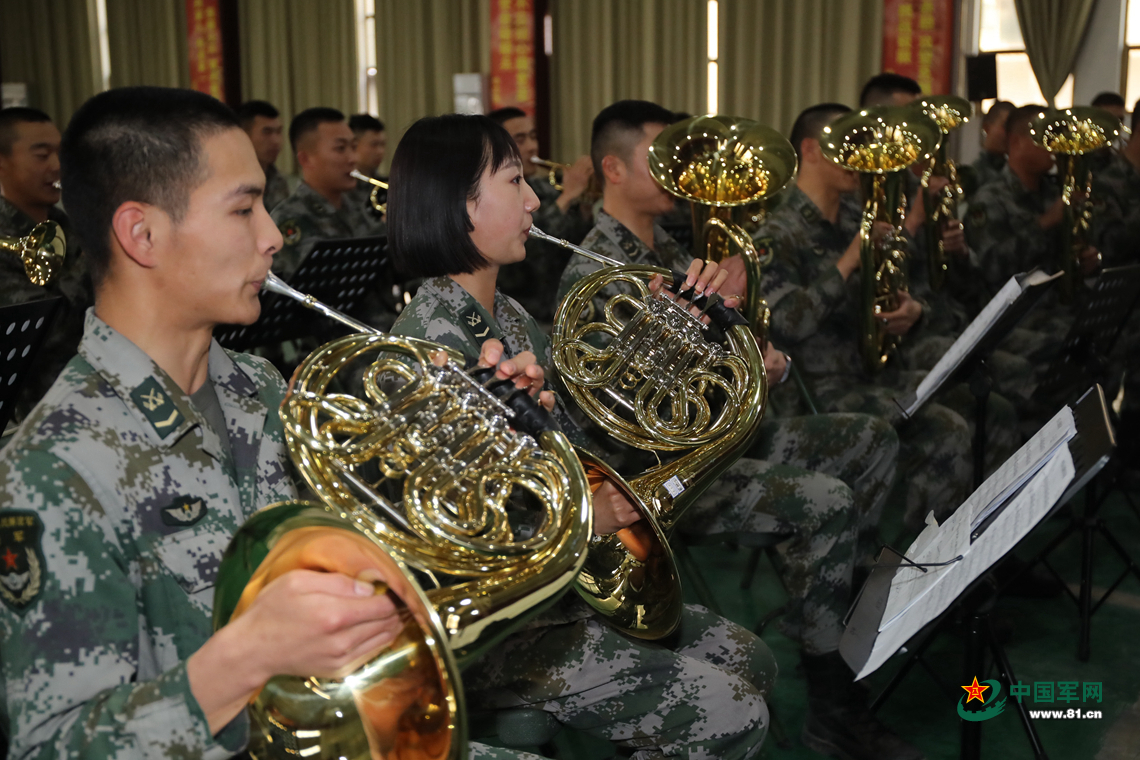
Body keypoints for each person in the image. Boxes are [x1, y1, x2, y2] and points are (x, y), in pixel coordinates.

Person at [0, 85, 562, 760]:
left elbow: (380, 562)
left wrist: (484, 440)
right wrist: (243, 660)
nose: (272, 237)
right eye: (243, 209)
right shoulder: (52, 465)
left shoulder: (261, 389)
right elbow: (52, 747)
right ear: (141, 234)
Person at [388, 112, 778, 760]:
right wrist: (577, 519)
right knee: (735, 708)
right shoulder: (430, 345)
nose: (536, 200)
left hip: (564, 586)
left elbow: (589, 435)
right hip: (509, 627)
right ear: (460, 206)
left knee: (755, 663)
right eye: (515, 181)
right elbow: (442, 540)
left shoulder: (506, 314)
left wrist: (681, 338)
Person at [556, 100, 920, 760]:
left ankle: (830, 601)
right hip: (659, 472)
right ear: (612, 168)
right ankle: (832, 698)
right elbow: (613, 418)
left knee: (871, 438)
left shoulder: (669, 249)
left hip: (714, 441)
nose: (680, 171)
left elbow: (714, 365)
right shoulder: (597, 268)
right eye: (660, 156)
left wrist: (758, 360)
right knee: (826, 502)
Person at [0, 106, 89, 421]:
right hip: (37, 420)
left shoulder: (70, 227)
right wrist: (95, 257)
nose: (56, 166)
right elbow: (41, 333)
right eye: (41, 156)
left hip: (101, 404)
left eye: (59, 153)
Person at [488, 106, 594, 323]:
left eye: (533, 137)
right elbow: (533, 243)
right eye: (520, 140)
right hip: (519, 314)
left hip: (560, 312)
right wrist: (568, 196)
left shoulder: (545, 187)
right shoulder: (493, 198)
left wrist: (585, 203)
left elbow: (575, 247)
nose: (532, 147)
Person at [270, 107, 385, 279]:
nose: (353, 158)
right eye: (340, 149)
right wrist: (386, 229)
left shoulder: (355, 204)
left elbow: (393, 271)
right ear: (306, 159)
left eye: (353, 147)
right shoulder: (289, 218)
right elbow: (328, 277)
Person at [236, 100, 289, 213]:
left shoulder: (279, 181)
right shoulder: (228, 182)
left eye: (279, 132)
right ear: (243, 135)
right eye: (267, 132)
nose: (276, 141)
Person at [969, 100, 1015, 193]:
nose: (1010, 133)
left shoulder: (1012, 168)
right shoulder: (976, 174)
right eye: (1005, 126)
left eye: (1013, 128)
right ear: (987, 128)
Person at [348, 112, 388, 219]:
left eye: (382, 145)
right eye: (374, 144)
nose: (380, 151)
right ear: (354, 145)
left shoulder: (385, 186)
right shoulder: (343, 188)